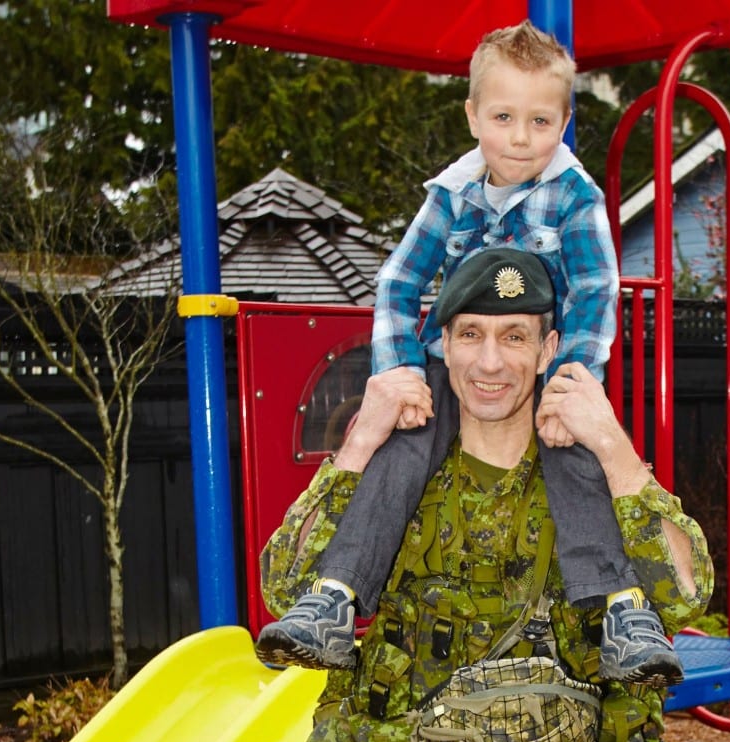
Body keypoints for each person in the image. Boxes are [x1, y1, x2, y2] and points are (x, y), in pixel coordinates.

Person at [255, 20, 682, 686]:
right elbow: (399, 281)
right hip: (439, 367)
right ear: (473, 116)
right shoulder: (449, 197)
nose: (520, 137)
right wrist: (400, 373)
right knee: (401, 450)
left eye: (541, 121)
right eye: (504, 117)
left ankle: (621, 608)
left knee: (575, 458)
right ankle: (335, 597)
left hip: (548, 366)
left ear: (565, 121)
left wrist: (570, 388)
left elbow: (598, 292)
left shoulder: (576, 200)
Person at [259, 251, 713, 742]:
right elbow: (285, 589)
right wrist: (361, 440)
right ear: (443, 344)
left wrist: (613, 447)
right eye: (471, 334)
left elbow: (683, 597)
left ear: (549, 349)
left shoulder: (592, 475)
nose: (490, 361)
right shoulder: (396, 474)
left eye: (515, 337)